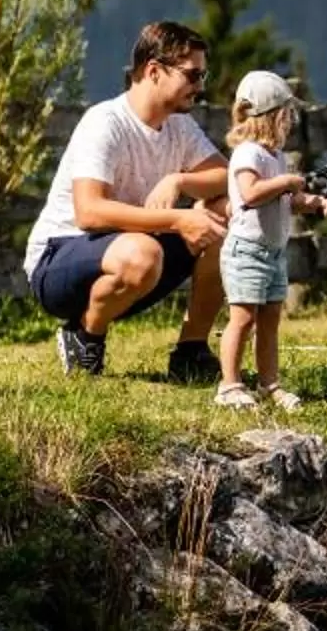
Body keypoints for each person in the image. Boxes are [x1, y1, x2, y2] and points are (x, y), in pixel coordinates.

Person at [24, 19, 228, 382]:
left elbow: (224, 176)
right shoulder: (105, 122)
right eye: (193, 75)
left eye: (202, 77)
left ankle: (191, 350)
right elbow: (89, 213)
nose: (199, 87)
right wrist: (178, 220)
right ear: (154, 71)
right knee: (143, 253)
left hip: (132, 253)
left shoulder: (179, 126)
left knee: (224, 214)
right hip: (58, 259)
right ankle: (85, 336)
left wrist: (177, 179)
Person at [216, 69, 327, 409]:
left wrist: (313, 203)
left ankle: (270, 384)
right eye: (286, 113)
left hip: (273, 253)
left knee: (269, 321)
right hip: (247, 252)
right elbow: (251, 193)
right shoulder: (247, 153)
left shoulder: (276, 157)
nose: (290, 120)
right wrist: (286, 183)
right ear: (272, 115)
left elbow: (285, 200)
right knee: (242, 318)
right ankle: (229, 385)